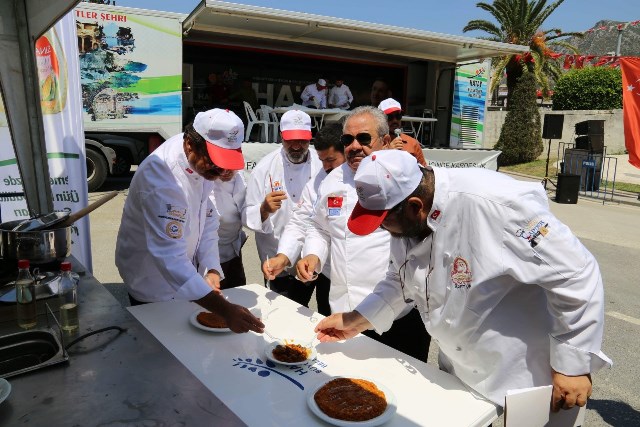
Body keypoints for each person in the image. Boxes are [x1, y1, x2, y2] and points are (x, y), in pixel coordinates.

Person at [314, 149, 612, 409]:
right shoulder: (408, 219)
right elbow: (401, 278)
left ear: (416, 206)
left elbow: (575, 272)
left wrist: (572, 365)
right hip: (458, 369)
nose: (383, 230)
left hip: (523, 375)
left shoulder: (499, 205)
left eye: (383, 222)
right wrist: (356, 319)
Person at [296, 106, 431, 362]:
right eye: (347, 140)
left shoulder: (407, 179)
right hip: (342, 309)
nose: (354, 146)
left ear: (386, 141)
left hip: (397, 313)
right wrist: (313, 254)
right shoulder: (331, 181)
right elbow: (319, 227)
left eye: (364, 138)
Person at [115, 108, 263, 334]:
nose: (221, 170)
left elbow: (208, 219)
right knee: (162, 345)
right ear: (190, 145)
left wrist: (211, 267)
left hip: (184, 273)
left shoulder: (200, 161)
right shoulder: (162, 180)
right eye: (215, 162)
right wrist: (225, 310)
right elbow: (169, 257)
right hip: (152, 283)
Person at [262, 122, 345, 316]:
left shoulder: (370, 179)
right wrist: (284, 256)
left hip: (369, 280)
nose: (326, 167)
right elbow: (303, 222)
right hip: (329, 275)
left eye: (331, 160)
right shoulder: (318, 182)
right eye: (322, 161)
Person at [243, 109, 322, 306]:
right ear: (281, 137)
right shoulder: (264, 168)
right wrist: (263, 210)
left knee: (304, 309)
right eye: (290, 140)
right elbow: (247, 215)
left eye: (302, 141)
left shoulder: (321, 165)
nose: (296, 146)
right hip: (275, 254)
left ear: (310, 138)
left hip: (310, 254)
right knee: (278, 309)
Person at [210, 169, 248, 289]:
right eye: (221, 167)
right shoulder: (203, 181)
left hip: (234, 248)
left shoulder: (239, 176)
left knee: (238, 292)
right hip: (210, 252)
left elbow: (246, 209)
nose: (227, 171)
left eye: (232, 167)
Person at [378, 98, 426, 166]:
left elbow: (424, 169)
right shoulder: (375, 142)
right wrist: (388, 152)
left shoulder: (413, 143)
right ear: (381, 119)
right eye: (389, 117)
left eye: (398, 116)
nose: (395, 120)